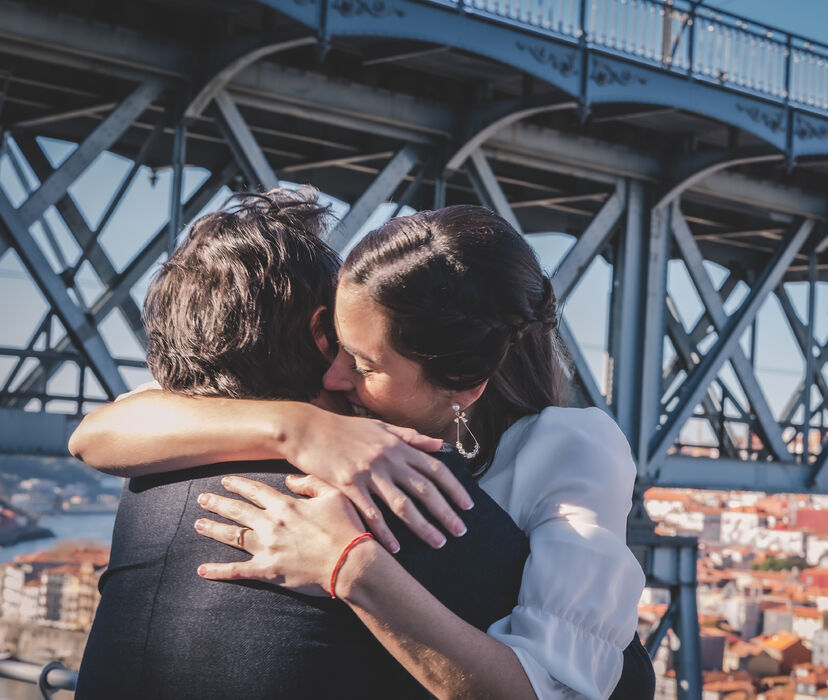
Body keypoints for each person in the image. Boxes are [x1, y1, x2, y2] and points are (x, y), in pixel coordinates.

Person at [72, 201, 653, 699]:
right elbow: (100, 431)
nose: (333, 376)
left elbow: (569, 687)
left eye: (365, 363)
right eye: (338, 348)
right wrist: (295, 428)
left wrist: (348, 564)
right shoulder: (334, 420)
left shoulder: (565, 448)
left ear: (463, 384)